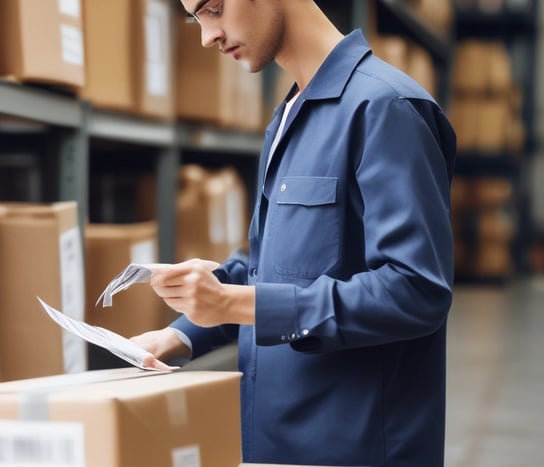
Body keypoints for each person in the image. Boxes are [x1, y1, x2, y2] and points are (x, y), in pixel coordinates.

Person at [130, 0, 456, 466]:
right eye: (196, 18)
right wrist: (181, 334)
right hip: (275, 445)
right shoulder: (288, 116)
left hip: (355, 450)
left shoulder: (386, 108)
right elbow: (270, 265)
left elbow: (416, 290)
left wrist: (231, 303)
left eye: (214, 8)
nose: (206, 36)